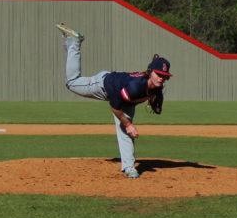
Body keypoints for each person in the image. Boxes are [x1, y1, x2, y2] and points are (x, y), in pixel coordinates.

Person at [56, 23, 172, 179]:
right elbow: (114, 106)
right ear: (150, 72)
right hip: (103, 85)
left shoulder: (157, 85)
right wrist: (128, 124)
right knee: (71, 83)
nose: (162, 78)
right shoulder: (135, 87)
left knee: (125, 132)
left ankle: (129, 168)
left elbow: (153, 99)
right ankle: (74, 44)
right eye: (159, 74)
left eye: (165, 76)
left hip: (126, 99)